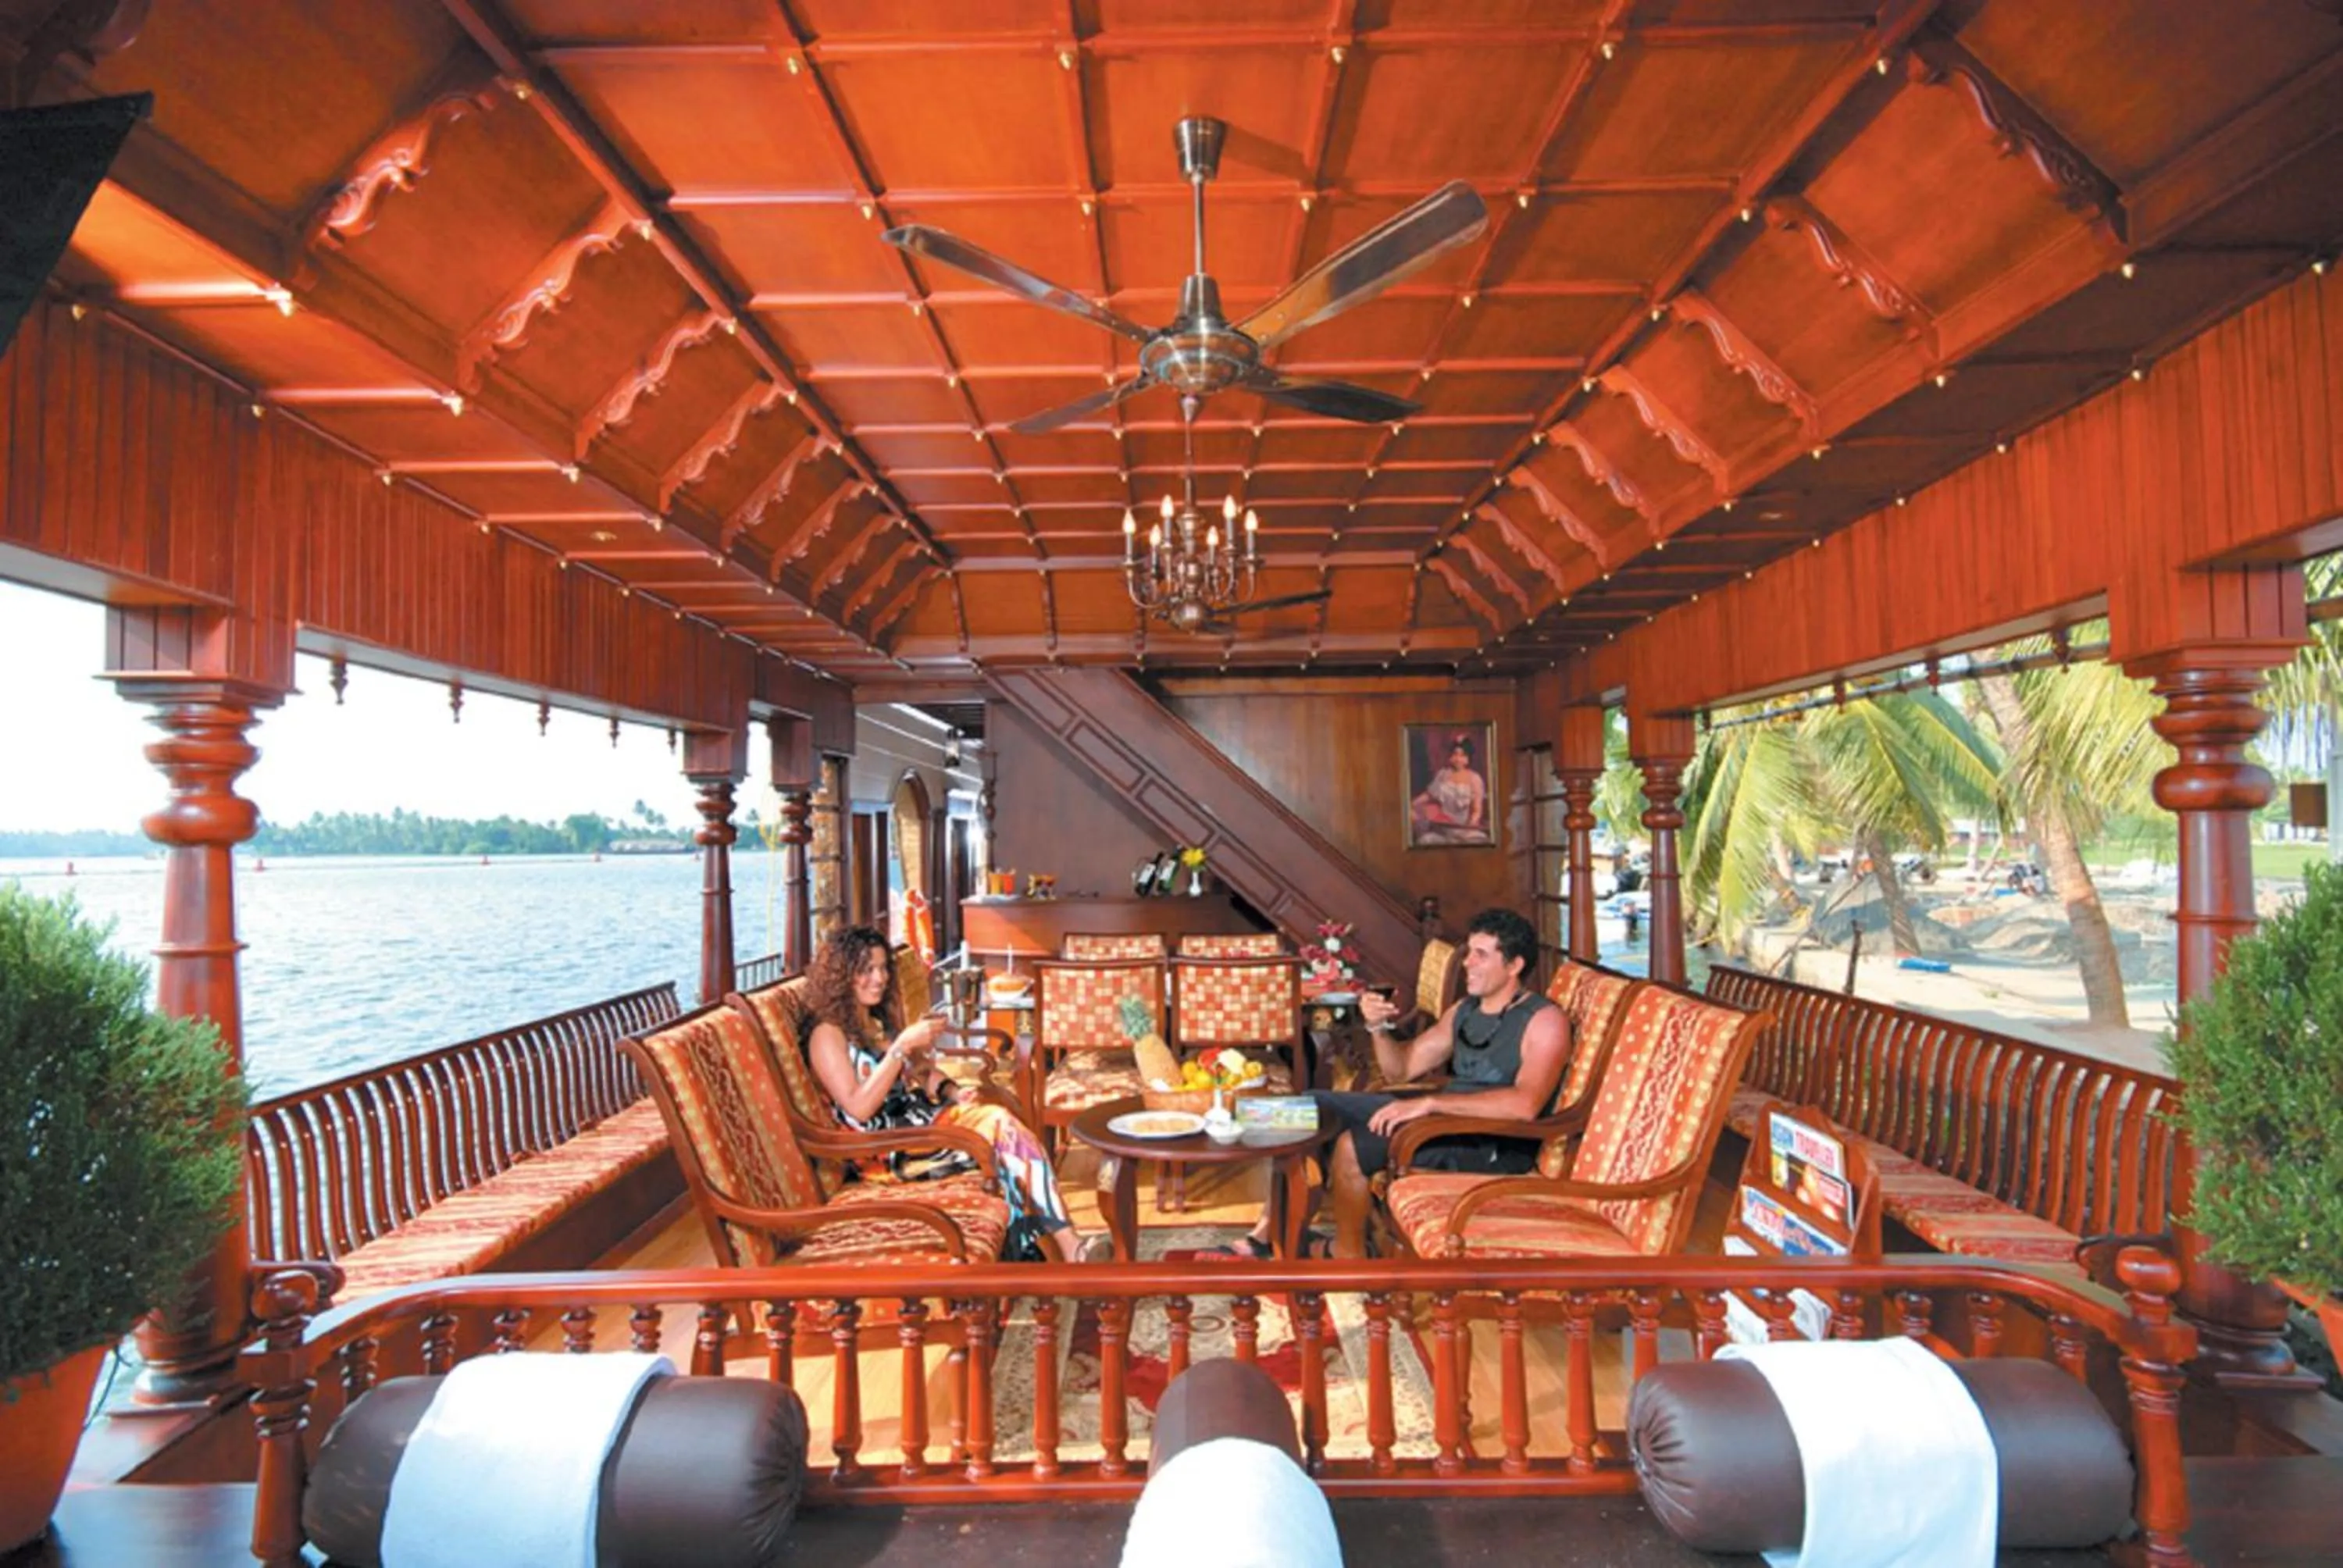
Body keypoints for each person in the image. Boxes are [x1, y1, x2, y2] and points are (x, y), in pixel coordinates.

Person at [1214, 907, 1570, 1260]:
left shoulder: (1544, 1020)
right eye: (1468, 953)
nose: (1467, 964)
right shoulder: (1464, 1010)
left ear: (1514, 965)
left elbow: (1524, 1106)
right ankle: (1269, 1235)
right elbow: (1402, 1071)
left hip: (1488, 1140)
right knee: (1307, 1106)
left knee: (1351, 1146)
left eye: (1481, 955)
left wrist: (1430, 1104)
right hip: (1443, 1120)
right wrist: (1377, 1029)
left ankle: (1348, 1259)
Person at [804, 925, 1106, 1263]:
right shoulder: (828, 1035)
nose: (880, 978)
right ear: (841, 976)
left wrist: (953, 1091)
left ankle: (1044, 1252)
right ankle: (1067, 1248)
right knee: (1000, 1130)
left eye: (883, 967)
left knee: (1002, 1130)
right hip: (886, 1150)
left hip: (921, 1126)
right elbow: (859, 1109)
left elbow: (922, 1072)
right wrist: (901, 1047)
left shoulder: (874, 1022)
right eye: (866, 970)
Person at [1410, 733, 1489, 846]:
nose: (1458, 759)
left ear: (1468, 758)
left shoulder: (1474, 779)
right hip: (1443, 827)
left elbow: (1477, 811)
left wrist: (1469, 827)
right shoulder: (1443, 774)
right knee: (1425, 840)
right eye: (1455, 754)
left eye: (1462, 756)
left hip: (1465, 828)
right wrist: (1412, 803)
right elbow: (1429, 795)